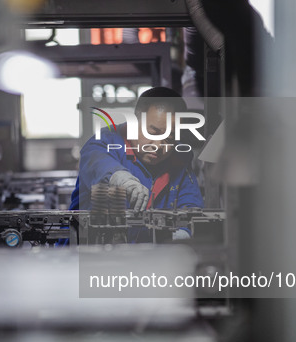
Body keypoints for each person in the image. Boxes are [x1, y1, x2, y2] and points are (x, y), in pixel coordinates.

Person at [69, 87, 204, 242]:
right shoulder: (104, 141)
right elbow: (98, 163)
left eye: (169, 137)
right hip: (93, 253)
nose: (158, 145)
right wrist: (121, 179)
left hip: (149, 255)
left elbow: (191, 205)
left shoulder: (179, 157)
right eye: (152, 133)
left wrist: (183, 234)